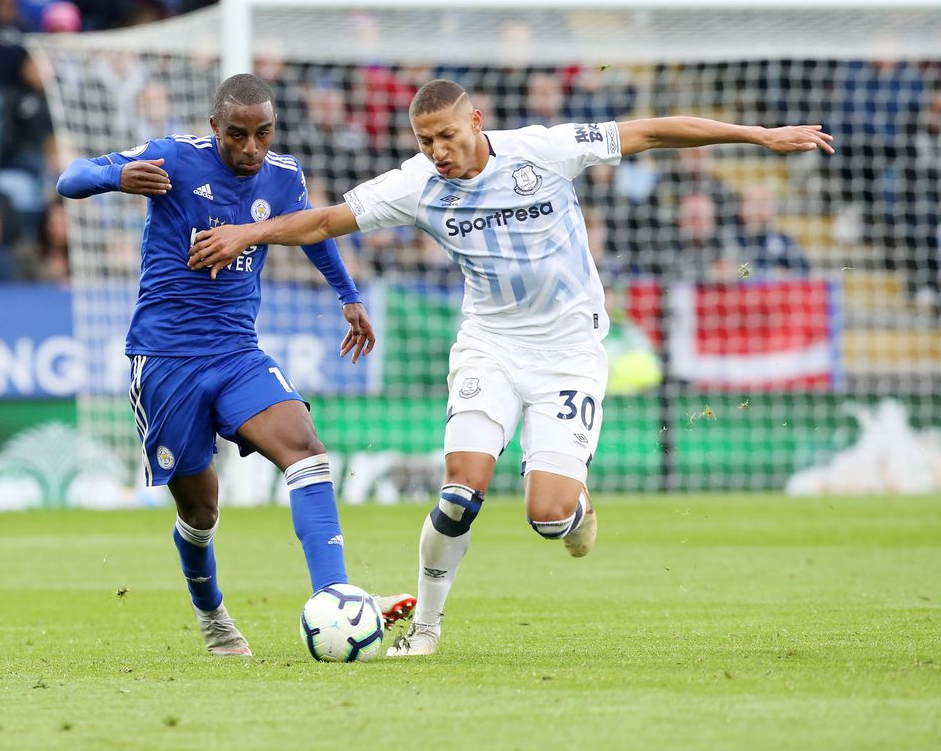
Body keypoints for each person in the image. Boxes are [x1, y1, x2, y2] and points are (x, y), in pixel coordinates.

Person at [188, 78, 834, 656]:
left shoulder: (542, 149)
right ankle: (427, 630)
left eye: (445, 135)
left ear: (476, 121)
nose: (437, 150)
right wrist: (248, 234)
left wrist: (758, 135)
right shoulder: (415, 183)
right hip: (490, 345)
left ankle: (575, 511)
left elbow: (652, 131)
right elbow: (327, 219)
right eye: (424, 140)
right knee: (460, 488)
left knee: (550, 518)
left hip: (569, 352)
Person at [56, 73, 414, 657]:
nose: (252, 149)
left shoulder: (284, 174)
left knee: (305, 448)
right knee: (200, 508)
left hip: (237, 352)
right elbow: (68, 178)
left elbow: (313, 233)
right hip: (166, 360)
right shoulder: (173, 157)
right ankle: (213, 617)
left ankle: (337, 595)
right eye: (239, 136)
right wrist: (115, 175)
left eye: (263, 134)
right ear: (214, 128)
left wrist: (349, 296)